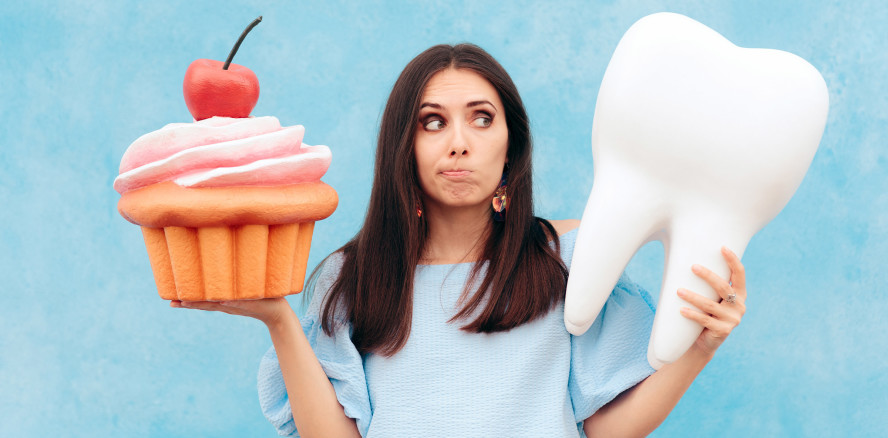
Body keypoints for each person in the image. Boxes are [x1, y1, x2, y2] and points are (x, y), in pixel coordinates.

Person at [172, 43, 748, 437]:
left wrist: (700, 346)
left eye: (481, 118)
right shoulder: (352, 277)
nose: (459, 143)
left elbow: (600, 429)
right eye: (432, 121)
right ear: (405, 147)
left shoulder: (569, 262)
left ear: (510, 147)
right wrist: (277, 318)